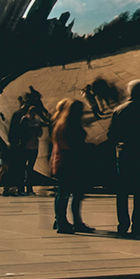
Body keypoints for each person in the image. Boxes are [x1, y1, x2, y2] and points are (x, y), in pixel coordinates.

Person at [109, 80, 140, 238]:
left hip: (124, 153)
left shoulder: (119, 110)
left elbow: (112, 135)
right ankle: (138, 225)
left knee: (122, 191)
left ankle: (123, 225)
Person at [50, 99, 95, 234]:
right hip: (72, 163)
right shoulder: (71, 127)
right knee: (73, 194)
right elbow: (75, 147)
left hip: (63, 162)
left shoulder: (60, 125)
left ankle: (61, 221)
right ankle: (70, 222)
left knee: (63, 193)